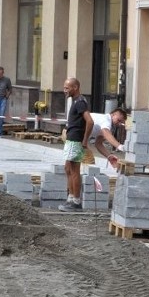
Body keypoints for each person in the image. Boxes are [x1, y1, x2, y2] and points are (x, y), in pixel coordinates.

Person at [59, 77, 94, 212]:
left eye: (67, 88)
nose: (64, 91)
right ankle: (71, 197)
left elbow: (90, 122)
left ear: (75, 88)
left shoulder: (80, 102)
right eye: (64, 87)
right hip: (72, 138)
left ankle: (76, 202)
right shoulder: (76, 101)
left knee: (74, 170)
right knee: (68, 168)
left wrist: (85, 140)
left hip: (76, 140)